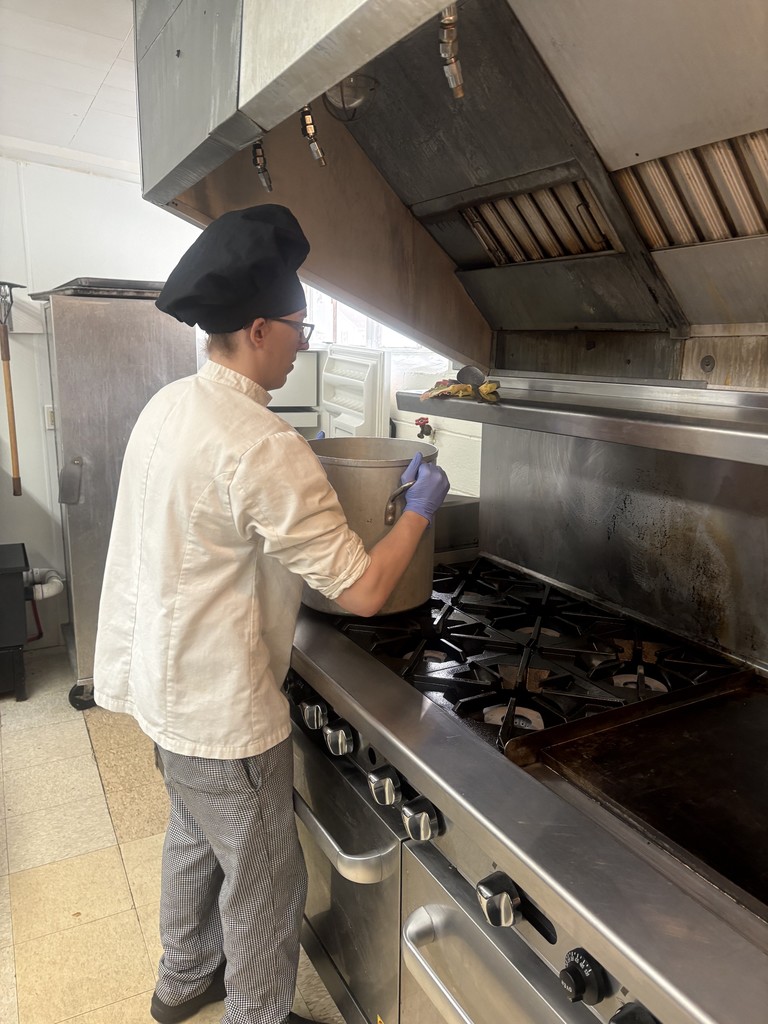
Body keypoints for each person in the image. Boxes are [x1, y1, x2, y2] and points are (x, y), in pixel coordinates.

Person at [92, 204, 450, 1024]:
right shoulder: (261, 443)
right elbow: (361, 590)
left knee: (191, 842)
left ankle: (181, 984)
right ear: (257, 329)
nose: (305, 341)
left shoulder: (170, 406)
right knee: (264, 882)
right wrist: (420, 512)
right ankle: (259, 1017)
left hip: (163, 692)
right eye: (300, 326)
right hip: (224, 714)